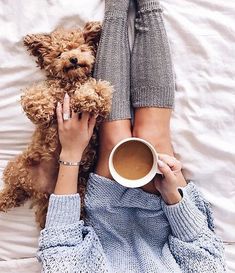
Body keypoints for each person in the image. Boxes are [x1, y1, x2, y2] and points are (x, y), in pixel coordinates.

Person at [37, 0, 226, 272]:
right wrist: (174, 197)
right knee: (153, 135)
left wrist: (71, 153)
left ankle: (115, 9)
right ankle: (148, 5)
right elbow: (206, 256)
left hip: (107, 211)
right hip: (169, 212)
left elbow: (59, 247)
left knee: (116, 139)